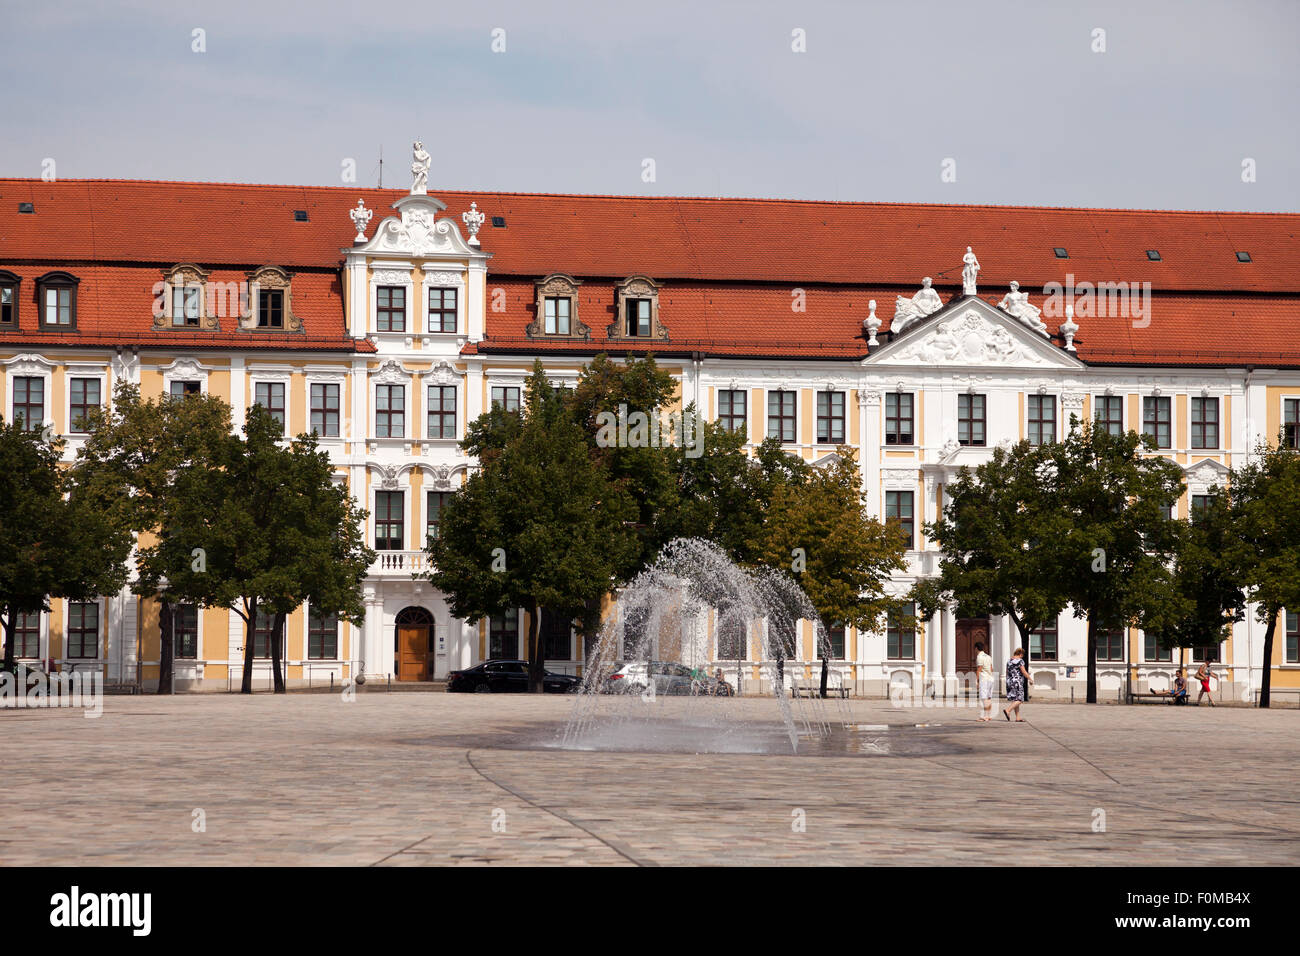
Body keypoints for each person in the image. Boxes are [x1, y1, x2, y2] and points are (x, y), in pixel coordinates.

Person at [1003, 648, 1033, 722]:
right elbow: (1023, 671)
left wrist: (1007, 681)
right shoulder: (1020, 661)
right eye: (1022, 655)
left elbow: (1007, 672)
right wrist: (1030, 678)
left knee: (1015, 700)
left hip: (1010, 681)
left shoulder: (1009, 661)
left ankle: (1018, 717)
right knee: (1020, 699)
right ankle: (1008, 710)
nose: (1022, 657)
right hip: (1017, 682)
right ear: (1021, 654)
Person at [974, 641, 994, 722]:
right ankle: (988, 715)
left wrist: (977, 680)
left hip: (984, 679)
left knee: (984, 698)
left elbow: (979, 669)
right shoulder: (988, 656)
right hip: (990, 678)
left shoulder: (979, 657)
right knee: (989, 698)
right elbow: (992, 668)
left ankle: (984, 716)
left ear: (976, 648)